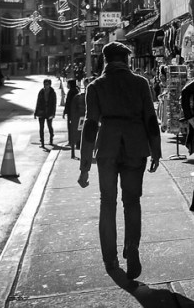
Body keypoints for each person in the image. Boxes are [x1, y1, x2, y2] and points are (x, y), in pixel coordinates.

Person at [77, 42, 161, 280]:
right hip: (136, 146)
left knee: (107, 203)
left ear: (105, 60)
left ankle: (110, 258)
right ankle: (132, 247)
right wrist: (156, 151)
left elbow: (90, 125)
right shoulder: (140, 83)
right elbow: (151, 119)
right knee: (132, 201)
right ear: (126, 60)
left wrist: (84, 166)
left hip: (107, 147)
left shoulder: (95, 86)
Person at [34, 79, 58, 146]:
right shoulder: (41, 92)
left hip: (49, 112)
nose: (45, 86)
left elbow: (54, 104)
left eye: (47, 84)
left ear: (50, 85)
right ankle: (42, 142)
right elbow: (38, 102)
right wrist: (36, 113)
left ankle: (51, 138)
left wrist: (53, 113)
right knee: (41, 127)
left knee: (49, 126)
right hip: (41, 112)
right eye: (44, 84)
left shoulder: (52, 93)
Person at [62, 79, 81, 159]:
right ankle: (75, 142)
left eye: (68, 84)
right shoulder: (76, 90)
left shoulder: (71, 92)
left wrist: (65, 112)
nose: (67, 85)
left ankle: (71, 142)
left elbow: (68, 103)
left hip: (71, 113)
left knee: (71, 128)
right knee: (76, 128)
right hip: (76, 112)